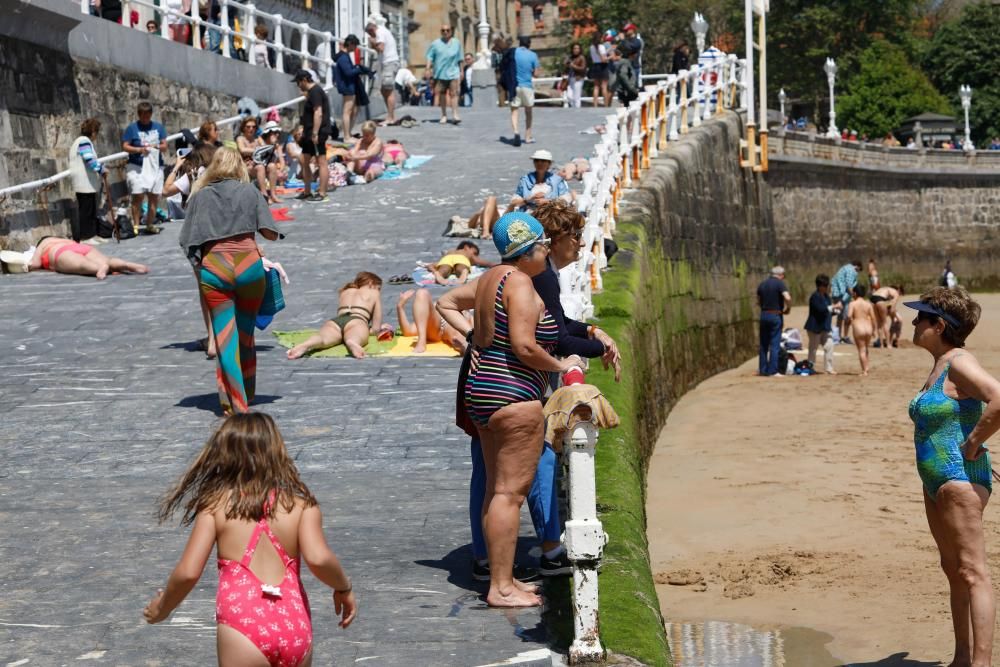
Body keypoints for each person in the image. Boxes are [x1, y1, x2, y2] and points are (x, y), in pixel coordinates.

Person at [437, 212, 582, 606]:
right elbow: (524, 346)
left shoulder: (491, 278)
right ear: (529, 249)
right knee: (509, 494)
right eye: (543, 246)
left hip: (481, 389)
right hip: (513, 394)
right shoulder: (519, 283)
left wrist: (472, 337)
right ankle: (501, 587)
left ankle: (503, 579)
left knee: (494, 492)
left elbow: (445, 301)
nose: (547, 252)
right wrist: (562, 366)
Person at [144, 413, 357, 664]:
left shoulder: (216, 506)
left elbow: (189, 572)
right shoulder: (300, 506)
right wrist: (344, 587)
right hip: (294, 625)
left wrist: (163, 607)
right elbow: (319, 558)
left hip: (243, 627)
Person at [905, 288, 998, 666]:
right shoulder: (941, 363)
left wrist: (974, 443)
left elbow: (998, 396)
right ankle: (962, 657)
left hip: (960, 478)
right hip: (936, 482)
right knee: (953, 568)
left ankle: (982, 663)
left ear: (939, 325)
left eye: (921, 318)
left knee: (972, 571)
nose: (913, 322)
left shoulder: (958, 361)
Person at [179, 148, 282, 415]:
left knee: (225, 338)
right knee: (246, 337)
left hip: (216, 268)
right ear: (238, 166)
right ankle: (246, 393)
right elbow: (271, 233)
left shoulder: (200, 196)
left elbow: (186, 241)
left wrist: (199, 265)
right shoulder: (250, 192)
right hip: (249, 266)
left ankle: (236, 405)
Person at [286, 272, 389, 359]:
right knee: (353, 337)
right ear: (371, 283)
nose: (378, 291)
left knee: (323, 338)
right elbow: (375, 329)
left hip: (336, 321)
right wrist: (374, 329)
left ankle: (307, 344)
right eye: (378, 288)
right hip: (357, 320)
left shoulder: (346, 291)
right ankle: (352, 343)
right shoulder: (374, 293)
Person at [121, 101, 167, 235]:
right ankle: (135, 225)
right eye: (143, 115)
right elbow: (125, 146)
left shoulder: (158, 127)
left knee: (154, 196)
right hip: (137, 166)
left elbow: (164, 146)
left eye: (148, 115)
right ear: (139, 115)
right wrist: (139, 149)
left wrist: (155, 147)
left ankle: (149, 224)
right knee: (138, 195)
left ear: (151, 114)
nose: (146, 118)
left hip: (155, 166)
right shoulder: (132, 128)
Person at [18, 236, 149, 279]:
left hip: (61, 253)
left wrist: (27, 266)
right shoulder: (62, 239)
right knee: (107, 259)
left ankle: (100, 268)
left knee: (81, 265)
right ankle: (126, 265)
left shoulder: (44, 244)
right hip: (82, 247)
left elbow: (35, 264)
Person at [292, 69, 334, 203]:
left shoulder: (316, 91)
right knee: (305, 160)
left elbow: (318, 113)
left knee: (321, 161)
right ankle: (307, 191)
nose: (298, 85)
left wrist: (315, 132)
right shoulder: (311, 93)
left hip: (317, 132)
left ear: (304, 80)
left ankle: (322, 192)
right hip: (309, 133)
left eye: (298, 82)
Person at [68, 118, 108, 245]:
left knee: (90, 209)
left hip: (87, 183)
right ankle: (86, 237)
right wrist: (101, 169)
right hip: (83, 182)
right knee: (86, 210)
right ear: (94, 132)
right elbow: (89, 159)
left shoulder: (81, 142)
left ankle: (92, 234)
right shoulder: (84, 142)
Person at [396, 289, 471, 354]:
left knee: (460, 329)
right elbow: (408, 331)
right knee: (422, 292)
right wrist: (400, 307)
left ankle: (465, 344)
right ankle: (421, 341)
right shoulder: (428, 313)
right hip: (438, 323)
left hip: (453, 325)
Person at [333, 35, 373, 139]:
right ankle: (346, 136)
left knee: (354, 111)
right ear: (350, 44)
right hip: (347, 86)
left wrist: (357, 68)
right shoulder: (343, 57)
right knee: (347, 111)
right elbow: (348, 73)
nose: (355, 48)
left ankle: (348, 134)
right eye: (355, 46)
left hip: (350, 85)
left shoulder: (344, 56)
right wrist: (359, 69)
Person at [756, 266, 791, 376]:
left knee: (763, 344)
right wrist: (788, 308)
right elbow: (787, 297)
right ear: (780, 275)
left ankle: (763, 369)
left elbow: (758, 300)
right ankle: (773, 370)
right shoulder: (779, 284)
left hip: (764, 314)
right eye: (783, 275)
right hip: (775, 315)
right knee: (775, 344)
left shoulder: (762, 284)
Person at [366, 14, 400, 126]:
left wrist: (372, 42)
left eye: (369, 32)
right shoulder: (383, 31)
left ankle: (391, 118)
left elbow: (380, 48)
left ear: (372, 28)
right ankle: (390, 116)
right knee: (384, 90)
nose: (370, 34)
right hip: (388, 63)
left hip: (389, 63)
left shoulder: (380, 32)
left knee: (388, 90)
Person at [425, 24, 463, 124]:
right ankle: (444, 114)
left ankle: (455, 114)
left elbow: (460, 58)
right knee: (441, 94)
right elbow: (430, 56)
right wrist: (428, 68)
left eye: (447, 30)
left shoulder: (456, 43)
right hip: (440, 73)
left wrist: (461, 71)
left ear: (451, 31)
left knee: (454, 94)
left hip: (453, 72)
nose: (445, 32)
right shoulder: (435, 43)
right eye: (443, 30)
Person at [509, 36, 540, 147]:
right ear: (529, 44)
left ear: (519, 43)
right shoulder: (533, 55)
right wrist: (530, 70)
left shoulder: (514, 53)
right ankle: (527, 137)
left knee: (514, 110)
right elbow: (536, 74)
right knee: (528, 112)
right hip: (527, 86)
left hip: (515, 86)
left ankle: (516, 132)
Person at [804, 273, 836, 374]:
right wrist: (833, 307)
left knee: (829, 346)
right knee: (813, 349)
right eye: (825, 286)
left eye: (828, 285)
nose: (827, 287)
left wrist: (836, 311)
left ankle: (829, 368)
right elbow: (820, 310)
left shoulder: (827, 297)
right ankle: (810, 367)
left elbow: (828, 311)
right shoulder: (815, 297)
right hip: (815, 328)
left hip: (825, 327)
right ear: (820, 286)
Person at [251, 121, 287, 203]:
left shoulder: (277, 145)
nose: (277, 135)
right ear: (268, 133)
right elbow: (259, 156)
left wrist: (279, 170)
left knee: (272, 166)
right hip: (256, 167)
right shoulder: (260, 141)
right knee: (261, 167)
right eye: (274, 132)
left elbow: (282, 162)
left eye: (278, 132)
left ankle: (273, 195)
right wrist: (272, 145)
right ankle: (265, 195)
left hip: (269, 169)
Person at [846, 284, 876, 376]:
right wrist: (874, 330)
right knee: (866, 348)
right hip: (868, 327)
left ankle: (864, 371)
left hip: (858, 327)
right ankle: (866, 367)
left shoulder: (852, 304)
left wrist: (850, 321)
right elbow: (873, 318)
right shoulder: (868, 304)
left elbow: (849, 316)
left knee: (861, 350)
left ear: (855, 293)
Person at [830, 260, 862, 342]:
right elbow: (849, 285)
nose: (858, 272)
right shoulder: (852, 270)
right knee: (847, 316)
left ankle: (838, 336)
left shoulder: (844, 268)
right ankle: (845, 336)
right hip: (842, 296)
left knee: (840, 317)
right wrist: (855, 296)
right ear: (857, 266)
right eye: (859, 270)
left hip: (837, 294)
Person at [871, 284, 902, 349]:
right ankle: (888, 344)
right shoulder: (896, 293)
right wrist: (894, 317)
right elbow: (892, 309)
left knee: (879, 323)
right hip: (880, 300)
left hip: (873, 298)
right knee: (884, 323)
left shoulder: (885, 288)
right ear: (898, 290)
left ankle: (881, 345)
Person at [588, 33, 609, 108]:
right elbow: (603, 59)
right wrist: (610, 57)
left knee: (596, 87)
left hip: (595, 66)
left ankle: (595, 105)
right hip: (603, 66)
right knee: (604, 87)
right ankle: (606, 105)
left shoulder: (591, 47)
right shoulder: (602, 47)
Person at [565, 43, 586, 109]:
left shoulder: (581, 58)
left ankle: (577, 111)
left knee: (576, 97)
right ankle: (574, 108)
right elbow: (566, 67)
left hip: (578, 78)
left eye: (578, 48)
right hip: (571, 78)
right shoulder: (570, 57)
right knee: (569, 96)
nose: (576, 50)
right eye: (574, 48)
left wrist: (574, 66)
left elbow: (583, 68)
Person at [492, 37, 511, 107]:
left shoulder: (494, 52)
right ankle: (511, 103)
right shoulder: (506, 50)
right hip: (507, 72)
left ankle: (502, 104)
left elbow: (493, 64)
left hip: (499, 72)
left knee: (501, 90)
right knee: (509, 88)